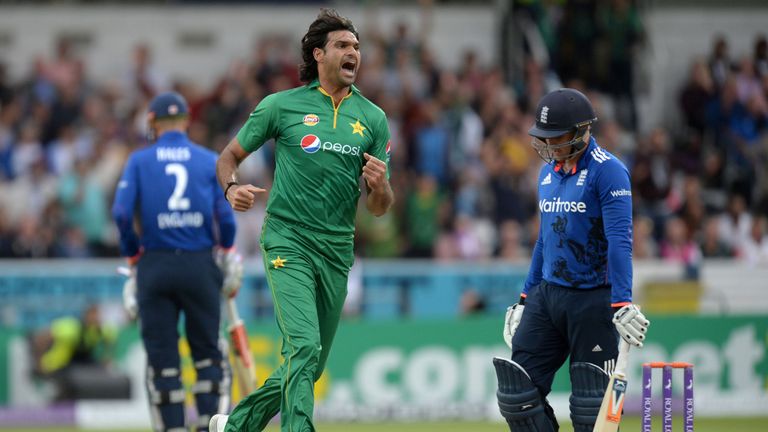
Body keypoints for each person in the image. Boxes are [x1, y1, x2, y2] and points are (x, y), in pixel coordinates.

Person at [209, 8, 394, 432]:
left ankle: (235, 426)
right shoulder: (282, 106)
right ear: (318, 54)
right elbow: (228, 157)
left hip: (337, 249)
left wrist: (381, 185)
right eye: (343, 45)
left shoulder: (373, 118)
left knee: (309, 362)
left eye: (357, 47)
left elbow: (379, 207)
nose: (354, 53)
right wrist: (231, 188)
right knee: (304, 346)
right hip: (288, 240)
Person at [493, 88, 650, 432]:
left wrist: (622, 301)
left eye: (557, 137)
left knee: (592, 409)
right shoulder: (547, 173)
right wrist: (525, 298)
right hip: (547, 297)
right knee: (517, 395)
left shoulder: (609, 171)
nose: (549, 145)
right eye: (544, 137)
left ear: (582, 130)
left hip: (593, 299)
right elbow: (544, 241)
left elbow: (620, 240)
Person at [112, 91, 242, 432]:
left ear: (152, 122)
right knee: (209, 358)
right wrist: (227, 252)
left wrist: (134, 256)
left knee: (163, 364)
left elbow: (122, 214)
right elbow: (226, 219)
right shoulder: (208, 159)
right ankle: (208, 426)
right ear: (186, 121)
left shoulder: (139, 161)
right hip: (200, 265)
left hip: (155, 265)